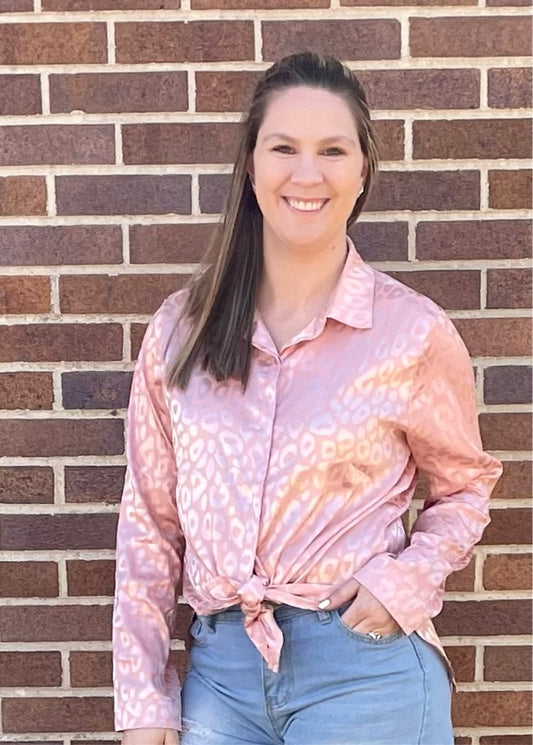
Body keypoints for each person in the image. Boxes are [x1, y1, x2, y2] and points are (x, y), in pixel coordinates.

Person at [112, 52, 502, 745]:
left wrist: (405, 582)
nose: (306, 172)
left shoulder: (409, 331)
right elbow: (149, 526)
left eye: (331, 150)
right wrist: (142, 698)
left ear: (361, 172)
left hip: (363, 673)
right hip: (220, 680)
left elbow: (465, 487)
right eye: (283, 147)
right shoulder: (181, 330)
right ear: (252, 164)